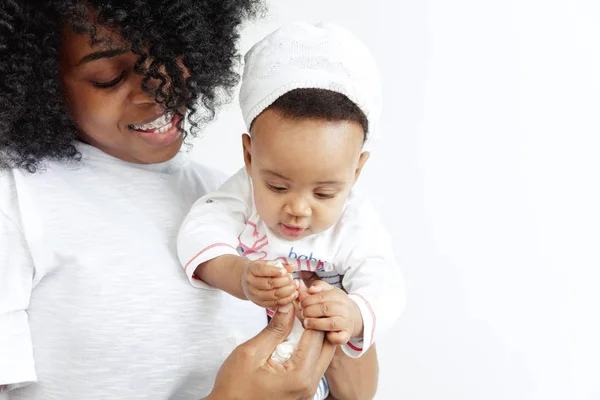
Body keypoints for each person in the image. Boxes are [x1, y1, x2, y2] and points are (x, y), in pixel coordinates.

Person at [0, 2, 378, 399]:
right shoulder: (17, 203)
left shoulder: (249, 199)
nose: (157, 88)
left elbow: (349, 386)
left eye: (168, 57)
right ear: (41, 80)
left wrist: (341, 322)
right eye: (109, 77)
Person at [177, 22, 407, 399]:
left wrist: (353, 313)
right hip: (248, 366)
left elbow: (385, 280)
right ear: (250, 157)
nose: (298, 209)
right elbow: (201, 229)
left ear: (357, 171)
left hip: (318, 358)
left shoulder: (357, 222)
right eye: (278, 186)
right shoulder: (240, 194)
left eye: (324, 193)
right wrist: (240, 274)